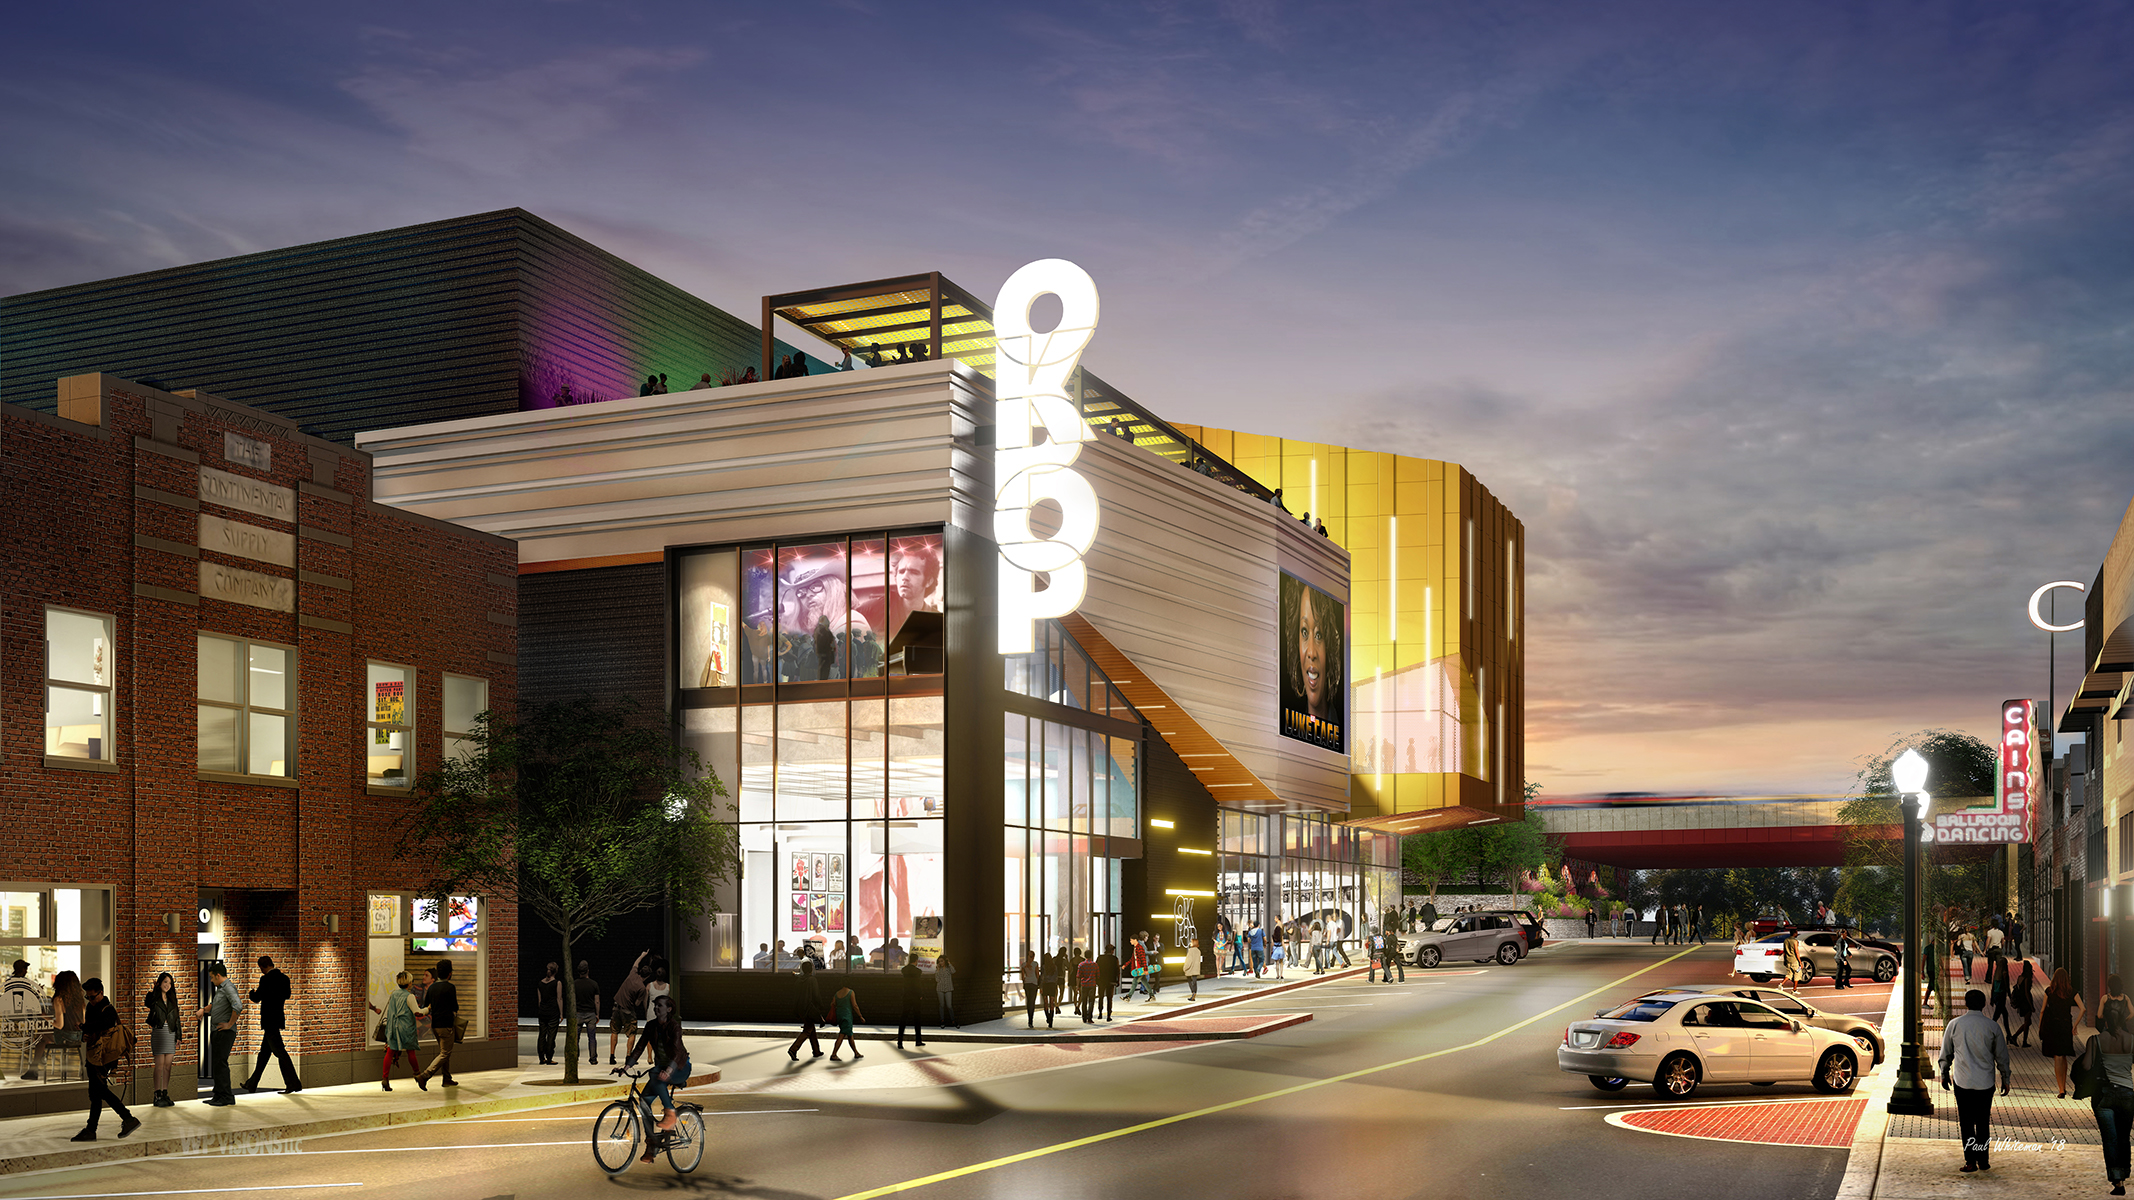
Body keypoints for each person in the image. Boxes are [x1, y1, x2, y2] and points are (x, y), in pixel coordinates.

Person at [1939, 988, 2012, 1172]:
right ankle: (1984, 1160)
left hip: (1962, 1081)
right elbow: (2001, 1056)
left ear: (1966, 1003)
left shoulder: (1954, 1025)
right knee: (1982, 1122)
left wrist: (1944, 1072)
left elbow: (1946, 1052)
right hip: (1985, 1083)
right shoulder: (1992, 1027)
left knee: (1966, 1122)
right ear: (1984, 1004)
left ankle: (1970, 1161)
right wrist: (2005, 1077)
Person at [621, 996, 691, 1164]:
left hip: (680, 1067)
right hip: (662, 1068)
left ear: (669, 1009)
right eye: (655, 1006)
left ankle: (670, 1114)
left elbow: (676, 1052)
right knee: (644, 1103)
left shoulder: (674, 1026)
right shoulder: (651, 1025)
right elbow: (640, 1046)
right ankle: (651, 1144)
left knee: (658, 1080)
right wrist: (626, 1066)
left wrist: (669, 1070)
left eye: (659, 1006)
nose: (656, 1008)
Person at [2081, 980, 2134, 1195]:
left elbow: (2085, 1066)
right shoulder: (2132, 1040)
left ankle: (2117, 1181)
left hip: (2104, 1096)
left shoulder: (2096, 1040)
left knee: (2109, 1139)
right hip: (2127, 1093)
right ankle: (2125, 1170)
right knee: (2124, 1136)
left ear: (2105, 1021)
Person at [73, 979, 139, 1141]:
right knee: (96, 1093)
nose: (91, 1000)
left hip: (104, 1057)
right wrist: (85, 1034)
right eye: (88, 997)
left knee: (99, 1091)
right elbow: (90, 1026)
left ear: (101, 993)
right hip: (93, 1053)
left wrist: (84, 1027)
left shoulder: (108, 1010)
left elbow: (102, 1025)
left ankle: (127, 1118)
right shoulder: (91, 1007)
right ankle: (93, 1129)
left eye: (93, 997)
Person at [243, 955, 301, 1094]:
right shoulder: (284, 978)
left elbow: (257, 998)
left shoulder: (265, 979)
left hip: (269, 1020)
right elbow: (287, 995)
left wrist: (251, 993)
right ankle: (252, 1083)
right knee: (263, 1055)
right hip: (278, 1018)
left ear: (262, 967)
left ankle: (293, 1083)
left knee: (280, 1052)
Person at [368, 970, 425, 1089]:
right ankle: (417, 1075)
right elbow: (417, 1012)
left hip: (393, 1027)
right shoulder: (410, 996)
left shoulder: (393, 994)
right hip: (406, 1028)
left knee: (390, 1052)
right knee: (411, 1051)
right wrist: (428, 1009)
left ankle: (385, 1079)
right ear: (409, 983)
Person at [197, 962, 241, 1105]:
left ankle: (226, 1097)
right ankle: (218, 1095)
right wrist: (204, 1009)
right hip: (217, 1031)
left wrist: (229, 1024)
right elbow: (215, 1006)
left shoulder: (228, 988)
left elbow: (238, 1006)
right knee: (217, 1064)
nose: (211, 980)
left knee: (221, 1063)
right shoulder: (221, 989)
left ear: (217, 975)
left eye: (211, 977)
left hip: (224, 1032)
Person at [411, 959, 459, 1090]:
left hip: (435, 1025)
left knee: (444, 1052)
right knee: (445, 1053)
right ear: (449, 974)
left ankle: (447, 1078)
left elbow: (427, 1005)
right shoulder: (450, 987)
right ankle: (425, 1076)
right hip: (446, 1025)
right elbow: (455, 1007)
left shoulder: (432, 987)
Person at [2045, 966, 2088, 1098]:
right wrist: (2075, 1025)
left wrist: (2042, 1025)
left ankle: (2061, 1089)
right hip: (2065, 1025)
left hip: (2053, 1025)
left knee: (2057, 1056)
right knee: (2063, 1056)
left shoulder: (2049, 991)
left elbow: (2042, 1010)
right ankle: (2063, 1085)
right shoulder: (2071, 992)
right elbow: (2083, 1008)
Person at [144, 971, 183, 1106]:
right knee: (159, 1066)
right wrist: (155, 989)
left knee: (168, 1066)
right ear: (160, 983)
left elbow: (177, 1018)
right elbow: (147, 1003)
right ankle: (157, 1094)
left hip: (171, 1032)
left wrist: (179, 1036)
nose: (167, 985)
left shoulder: (172, 998)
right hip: (159, 1032)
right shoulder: (154, 997)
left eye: (170, 983)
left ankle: (165, 1093)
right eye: (165, 982)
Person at [610, 951, 650, 1066]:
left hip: (616, 1006)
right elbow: (637, 1003)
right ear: (647, 976)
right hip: (627, 1010)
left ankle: (612, 1056)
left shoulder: (632, 974)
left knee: (614, 1031)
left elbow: (635, 963)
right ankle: (628, 1056)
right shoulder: (642, 988)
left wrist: (642, 955)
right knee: (632, 1032)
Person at [788, 960, 825, 1061]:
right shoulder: (812, 980)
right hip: (809, 1008)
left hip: (800, 1008)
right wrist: (821, 1006)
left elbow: (795, 997)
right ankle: (793, 1049)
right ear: (811, 970)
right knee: (808, 1030)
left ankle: (816, 1051)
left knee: (811, 1029)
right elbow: (816, 995)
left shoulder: (799, 981)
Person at [532, 962, 566, 1065]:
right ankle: (549, 1057)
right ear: (556, 971)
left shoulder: (540, 983)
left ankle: (541, 1057)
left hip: (542, 1012)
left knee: (542, 1034)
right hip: (553, 1012)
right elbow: (559, 999)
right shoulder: (557, 983)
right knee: (551, 1035)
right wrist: (561, 1013)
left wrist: (542, 1010)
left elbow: (539, 1000)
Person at [826, 980, 864, 1061]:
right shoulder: (851, 992)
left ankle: (856, 1053)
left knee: (850, 1035)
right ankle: (833, 1054)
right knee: (842, 1034)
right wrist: (860, 1016)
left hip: (839, 1015)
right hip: (847, 1016)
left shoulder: (837, 993)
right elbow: (855, 1005)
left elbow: (832, 1003)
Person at [572, 960, 601, 1066]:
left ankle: (575, 1057)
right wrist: (597, 1014)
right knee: (592, 1037)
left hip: (578, 1013)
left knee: (576, 1038)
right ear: (588, 970)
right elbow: (596, 1001)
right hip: (590, 1013)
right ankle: (593, 1058)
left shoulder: (574, 984)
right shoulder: (594, 984)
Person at [896, 957, 927, 1049]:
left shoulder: (904, 970)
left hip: (906, 996)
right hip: (916, 997)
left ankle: (900, 1042)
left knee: (903, 1018)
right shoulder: (918, 971)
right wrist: (920, 994)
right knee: (917, 1018)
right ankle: (918, 1040)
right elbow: (918, 984)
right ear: (916, 960)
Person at [2010, 959, 2037, 1047]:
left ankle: (2016, 1038)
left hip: (2020, 1001)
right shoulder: (2027, 979)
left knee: (2027, 1021)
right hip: (2025, 1001)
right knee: (2027, 1021)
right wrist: (2031, 1005)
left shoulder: (2020, 977)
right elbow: (2027, 992)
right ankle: (2019, 1039)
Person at [1097, 944, 1120, 1021]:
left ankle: (1100, 1013)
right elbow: (1118, 971)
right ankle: (1108, 1015)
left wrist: (1097, 979)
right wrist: (1118, 980)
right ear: (1111, 950)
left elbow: (1097, 968)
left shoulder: (1100, 958)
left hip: (1101, 980)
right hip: (1111, 981)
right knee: (1109, 998)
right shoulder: (1115, 959)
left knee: (1101, 997)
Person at [935, 955, 958, 1027]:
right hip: (940, 989)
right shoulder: (938, 969)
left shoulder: (949, 968)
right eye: (939, 962)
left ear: (945, 961)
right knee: (941, 1005)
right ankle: (942, 1020)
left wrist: (949, 963)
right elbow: (937, 980)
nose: (941, 963)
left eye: (942, 961)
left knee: (949, 1005)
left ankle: (953, 1020)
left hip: (948, 988)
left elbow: (954, 971)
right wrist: (938, 970)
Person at [1020, 950, 1040, 1028]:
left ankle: (1029, 1019)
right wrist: (1038, 983)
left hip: (1027, 984)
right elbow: (1037, 974)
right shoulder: (1035, 964)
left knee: (1029, 1001)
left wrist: (1024, 982)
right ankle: (1031, 1020)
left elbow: (1023, 977)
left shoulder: (1023, 965)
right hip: (1034, 983)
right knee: (1032, 1001)